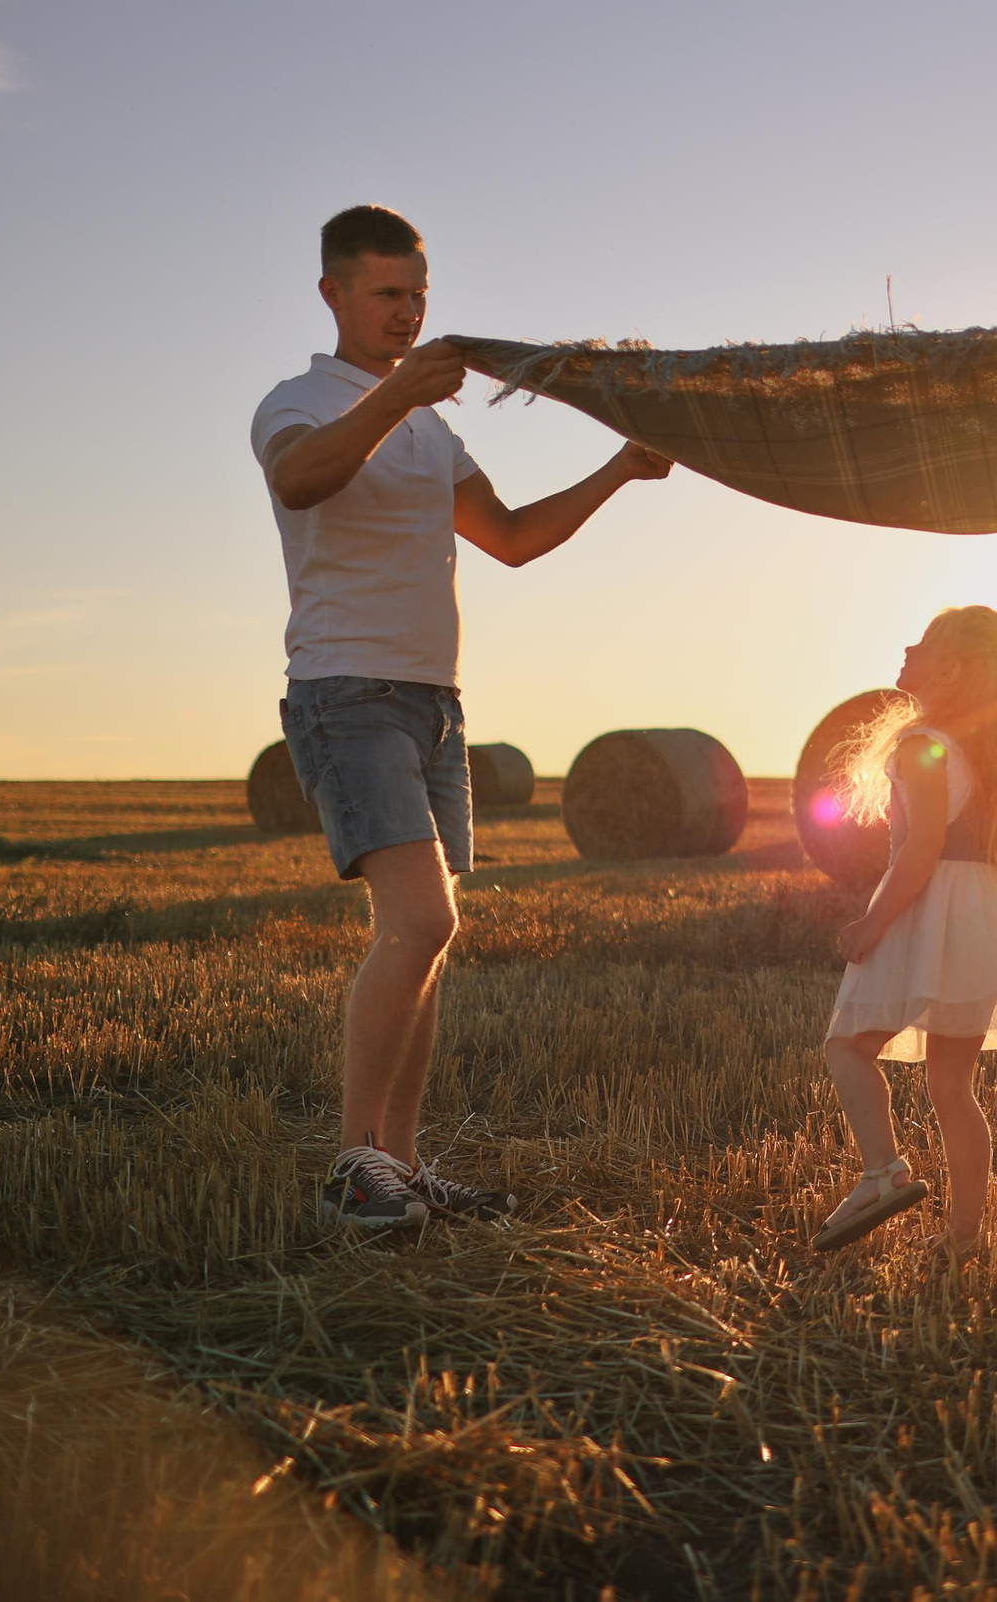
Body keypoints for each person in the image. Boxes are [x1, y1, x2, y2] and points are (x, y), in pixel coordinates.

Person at [251, 203, 675, 1229]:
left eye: (418, 298)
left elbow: (517, 538)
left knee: (430, 940)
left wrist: (620, 469)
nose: (405, 314)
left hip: (437, 705)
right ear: (334, 295)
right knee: (421, 919)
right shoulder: (295, 401)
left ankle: (397, 1162)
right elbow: (301, 480)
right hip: (345, 692)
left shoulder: (434, 430)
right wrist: (397, 394)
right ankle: (354, 1168)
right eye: (386, 295)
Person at [812, 607, 997, 1257]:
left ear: (952, 669)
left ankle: (883, 1171)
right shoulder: (986, 751)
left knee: (848, 1047)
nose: (907, 646)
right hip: (983, 914)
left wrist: (874, 919)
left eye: (924, 642)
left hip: (932, 909)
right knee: (953, 1086)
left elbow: (921, 847)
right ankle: (963, 1234)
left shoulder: (922, 743)